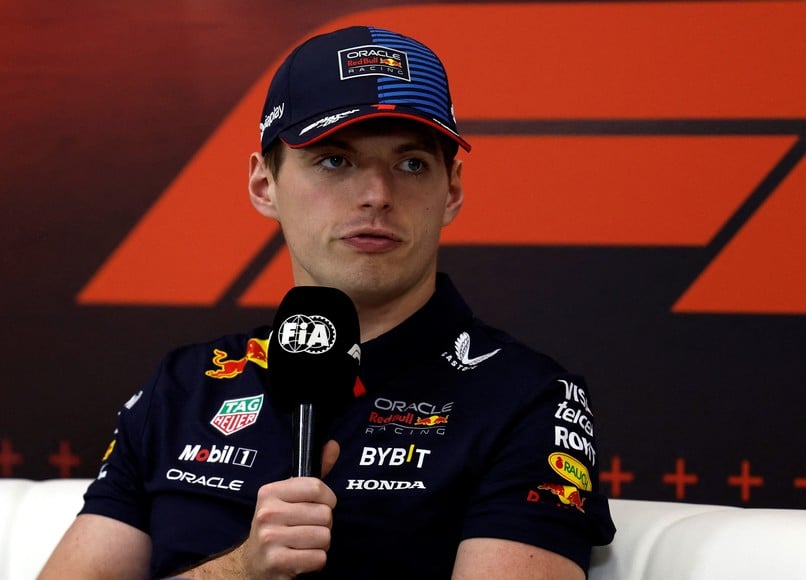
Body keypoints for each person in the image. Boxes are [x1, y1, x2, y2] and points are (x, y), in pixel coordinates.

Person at [40, 26, 615, 579]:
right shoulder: (186, 385)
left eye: (411, 164)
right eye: (334, 160)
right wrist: (241, 572)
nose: (376, 196)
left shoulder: (525, 398)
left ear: (452, 190)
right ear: (264, 184)